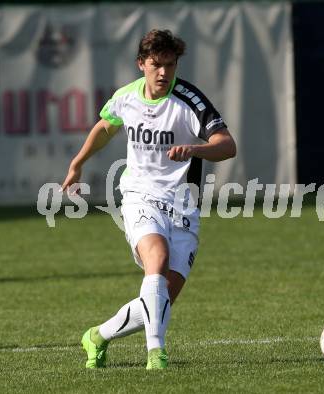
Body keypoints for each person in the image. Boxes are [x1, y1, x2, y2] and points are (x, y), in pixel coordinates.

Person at [61, 29, 236, 370]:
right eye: (156, 65)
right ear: (141, 64)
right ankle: (156, 353)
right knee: (157, 255)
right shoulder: (127, 97)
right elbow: (104, 127)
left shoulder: (191, 102)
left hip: (184, 205)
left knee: (161, 298)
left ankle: (97, 336)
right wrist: (77, 164)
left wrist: (196, 148)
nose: (163, 73)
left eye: (170, 65)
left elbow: (227, 146)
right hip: (139, 196)